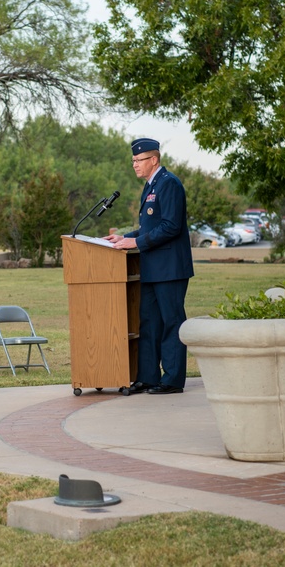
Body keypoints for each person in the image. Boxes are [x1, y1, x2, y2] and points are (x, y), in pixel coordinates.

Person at [105, 138, 194, 395]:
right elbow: (149, 229)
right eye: (133, 160)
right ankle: (148, 376)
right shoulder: (150, 186)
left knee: (171, 322)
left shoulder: (169, 184)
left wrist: (136, 241)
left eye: (138, 160)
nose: (134, 165)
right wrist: (124, 238)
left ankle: (173, 379)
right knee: (149, 323)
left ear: (153, 159)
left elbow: (171, 226)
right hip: (152, 267)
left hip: (170, 268)